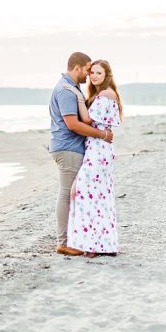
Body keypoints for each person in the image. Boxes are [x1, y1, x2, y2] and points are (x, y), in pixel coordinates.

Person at [49, 52, 114, 256]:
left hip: (70, 147)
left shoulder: (72, 88)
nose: (89, 75)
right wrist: (102, 134)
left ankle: (74, 239)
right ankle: (64, 242)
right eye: (87, 69)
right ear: (77, 68)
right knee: (68, 194)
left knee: (73, 194)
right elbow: (73, 124)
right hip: (68, 148)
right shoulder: (67, 90)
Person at [66, 59, 124, 257]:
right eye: (92, 73)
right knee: (98, 196)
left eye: (99, 73)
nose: (94, 76)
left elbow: (88, 120)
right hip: (97, 148)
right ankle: (104, 244)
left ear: (106, 75)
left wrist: (78, 98)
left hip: (99, 149)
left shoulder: (106, 94)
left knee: (85, 193)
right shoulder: (100, 94)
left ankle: (94, 245)